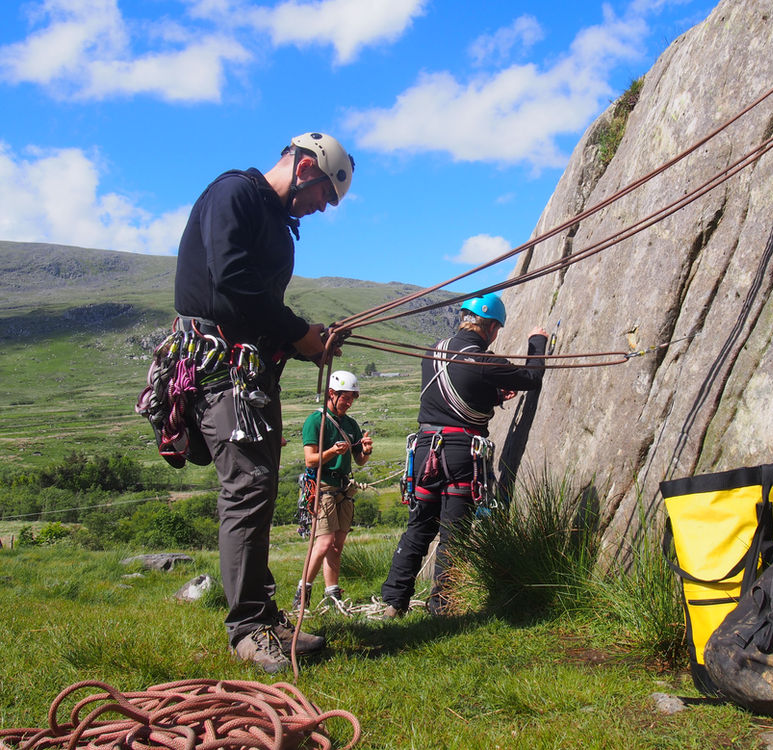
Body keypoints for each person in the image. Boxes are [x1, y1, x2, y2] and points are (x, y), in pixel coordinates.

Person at [173, 132, 355, 673]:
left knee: (258, 490)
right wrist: (299, 331)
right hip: (221, 370)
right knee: (247, 489)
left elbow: (256, 311)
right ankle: (248, 630)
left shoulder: (275, 223)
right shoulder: (236, 194)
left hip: (247, 373)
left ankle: (265, 616)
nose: (323, 206)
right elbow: (229, 280)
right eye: (325, 193)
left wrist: (305, 343)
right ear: (304, 169)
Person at [380, 293, 548, 616]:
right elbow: (532, 379)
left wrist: (493, 392)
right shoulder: (486, 362)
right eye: (496, 329)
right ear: (491, 328)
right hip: (461, 454)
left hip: (426, 450)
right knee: (453, 533)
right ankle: (442, 605)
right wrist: (537, 344)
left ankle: (393, 602)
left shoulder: (432, 354)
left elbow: (459, 392)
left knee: (419, 527)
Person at [292, 370, 373, 614]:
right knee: (324, 541)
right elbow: (310, 460)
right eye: (345, 397)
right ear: (331, 394)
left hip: (343, 488)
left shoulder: (351, 424)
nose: (349, 403)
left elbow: (359, 460)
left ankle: (332, 593)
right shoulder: (315, 422)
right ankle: (303, 590)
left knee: (337, 544)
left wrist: (366, 450)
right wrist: (332, 453)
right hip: (323, 486)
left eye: (352, 398)